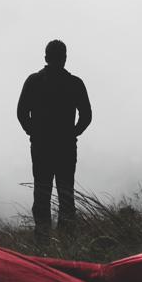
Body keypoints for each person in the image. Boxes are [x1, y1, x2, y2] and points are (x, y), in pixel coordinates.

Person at [16, 39, 92, 239]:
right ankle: (66, 240)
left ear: (46, 58)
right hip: (65, 147)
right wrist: (73, 133)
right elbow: (86, 116)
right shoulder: (74, 83)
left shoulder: (33, 81)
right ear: (65, 58)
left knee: (42, 192)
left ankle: (42, 240)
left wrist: (33, 132)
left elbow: (22, 113)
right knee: (66, 194)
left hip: (42, 147)